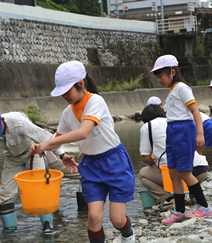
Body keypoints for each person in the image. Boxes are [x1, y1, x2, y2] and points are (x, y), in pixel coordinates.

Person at [30, 60, 135, 243]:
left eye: (67, 90)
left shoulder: (96, 101)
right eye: (61, 92)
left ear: (81, 83)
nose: (64, 95)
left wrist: (48, 143)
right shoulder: (67, 114)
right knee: (93, 217)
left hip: (115, 162)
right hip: (92, 165)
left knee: (117, 220)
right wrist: (44, 148)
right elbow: (56, 139)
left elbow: (83, 132)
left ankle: (128, 235)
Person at [0, 107, 81, 235]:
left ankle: (48, 227)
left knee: (40, 188)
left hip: (33, 152)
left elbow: (45, 137)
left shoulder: (18, 122)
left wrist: (62, 155)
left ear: (2, 120)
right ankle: (10, 232)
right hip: (12, 158)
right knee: (5, 193)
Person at [149, 55, 212, 225]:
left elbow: (195, 112)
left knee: (184, 171)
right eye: (157, 77)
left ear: (172, 72)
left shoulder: (182, 88)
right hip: (172, 130)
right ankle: (180, 211)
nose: (159, 80)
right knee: (172, 172)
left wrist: (200, 134)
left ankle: (204, 207)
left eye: (161, 76)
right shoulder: (172, 91)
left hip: (183, 130)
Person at [139, 105, 209, 211]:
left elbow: (145, 158)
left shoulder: (147, 126)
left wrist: (157, 163)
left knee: (143, 174)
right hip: (201, 170)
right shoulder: (173, 122)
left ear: (145, 120)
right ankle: (194, 195)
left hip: (178, 173)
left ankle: (168, 199)